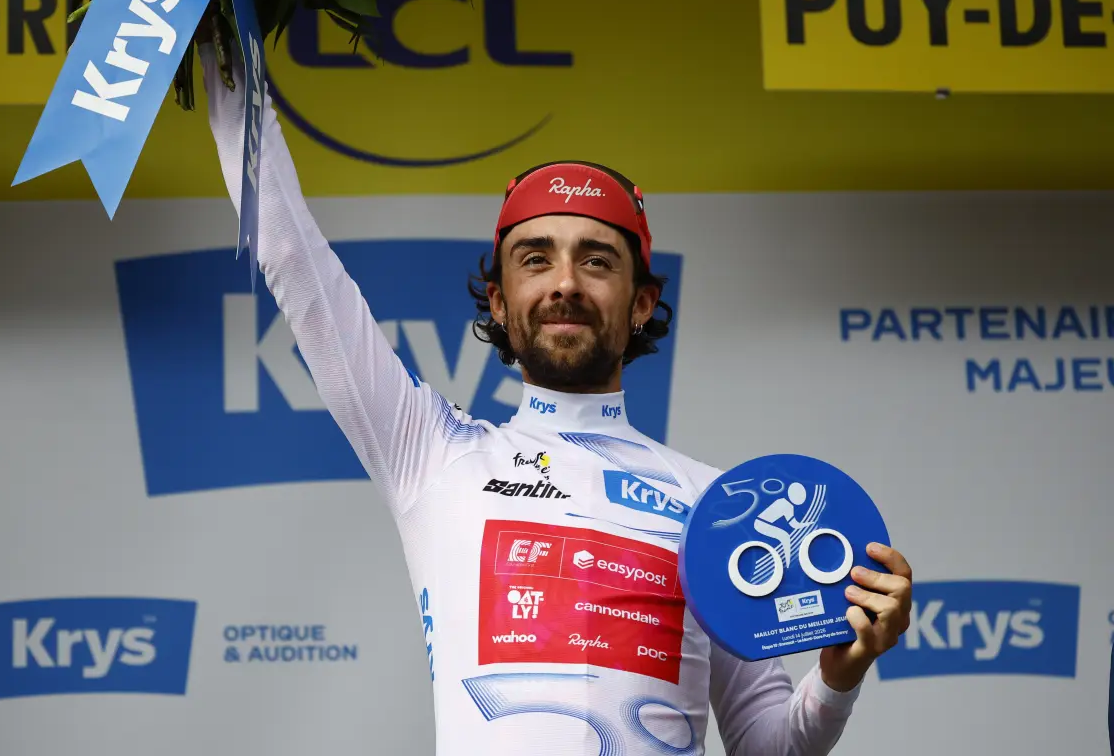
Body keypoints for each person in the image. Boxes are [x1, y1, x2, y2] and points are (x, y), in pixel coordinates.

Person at [198, 44, 913, 755]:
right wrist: (221, 34)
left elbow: (769, 749)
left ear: (641, 304)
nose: (564, 282)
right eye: (535, 258)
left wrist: (838, 675)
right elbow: (293, 257)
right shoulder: (432, 452)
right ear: (500, 301)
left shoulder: (717, 507)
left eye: (596, 260)